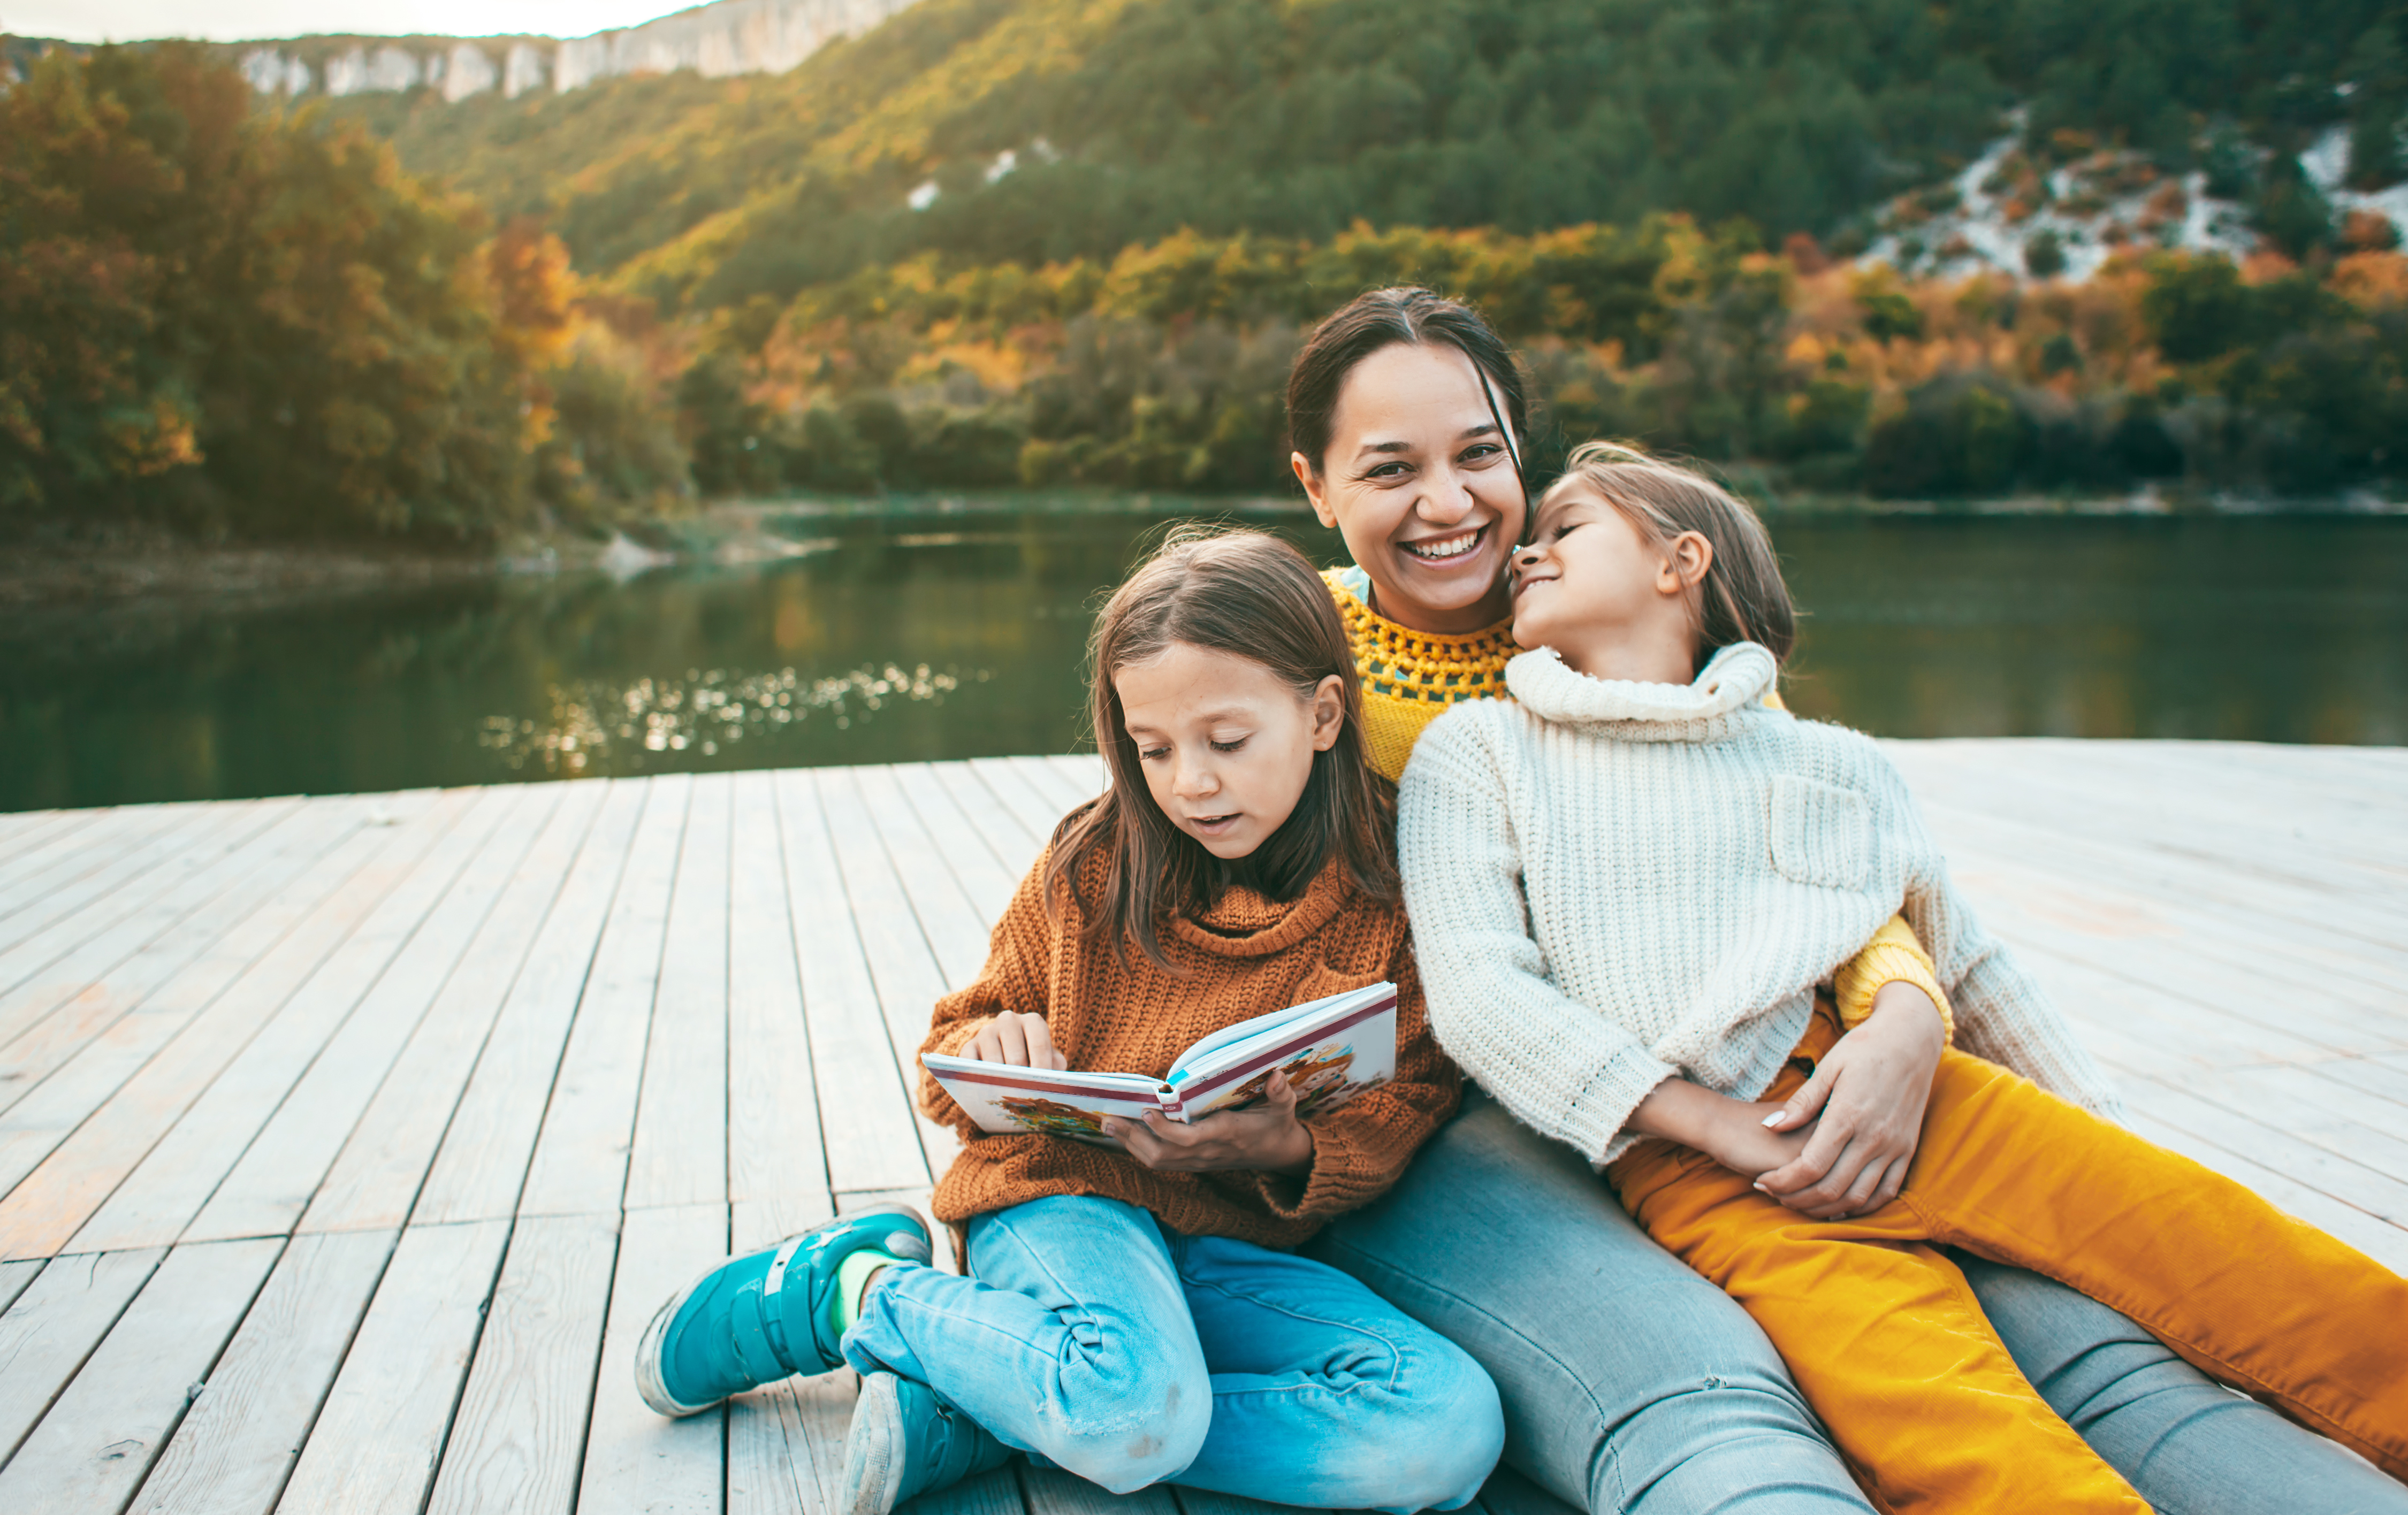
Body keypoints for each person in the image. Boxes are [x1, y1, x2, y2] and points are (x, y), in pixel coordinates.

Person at [1288, 285, 2408, 1514]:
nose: (1454, 506)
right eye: (1392, 469)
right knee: (1931, 1405)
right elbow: (1477, 985)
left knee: (2217, 1249)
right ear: (1317, 487)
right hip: (1626, 1131)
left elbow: (1883, 913)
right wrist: (1703, 1126)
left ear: (1674, 563)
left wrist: (1910, 1028)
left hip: (1872, 1083)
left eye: (1483, 456)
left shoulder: (1753, 721)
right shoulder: (1323, 680)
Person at [634, 529, 1505, 1515]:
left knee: (1445, 1428)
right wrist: (989, 1050)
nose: (1190, 784)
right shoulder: (1098, 862)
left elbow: (1418, 1088)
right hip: (1064, 1201)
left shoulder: (1396, 879)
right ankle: (853, 1290)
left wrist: (1293, 1142)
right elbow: (955, 1042)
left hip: (1234, 1243)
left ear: (1321, 712)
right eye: (1154, 750)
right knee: (1129, 1409)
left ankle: (989, 1403)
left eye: (1227, 742)